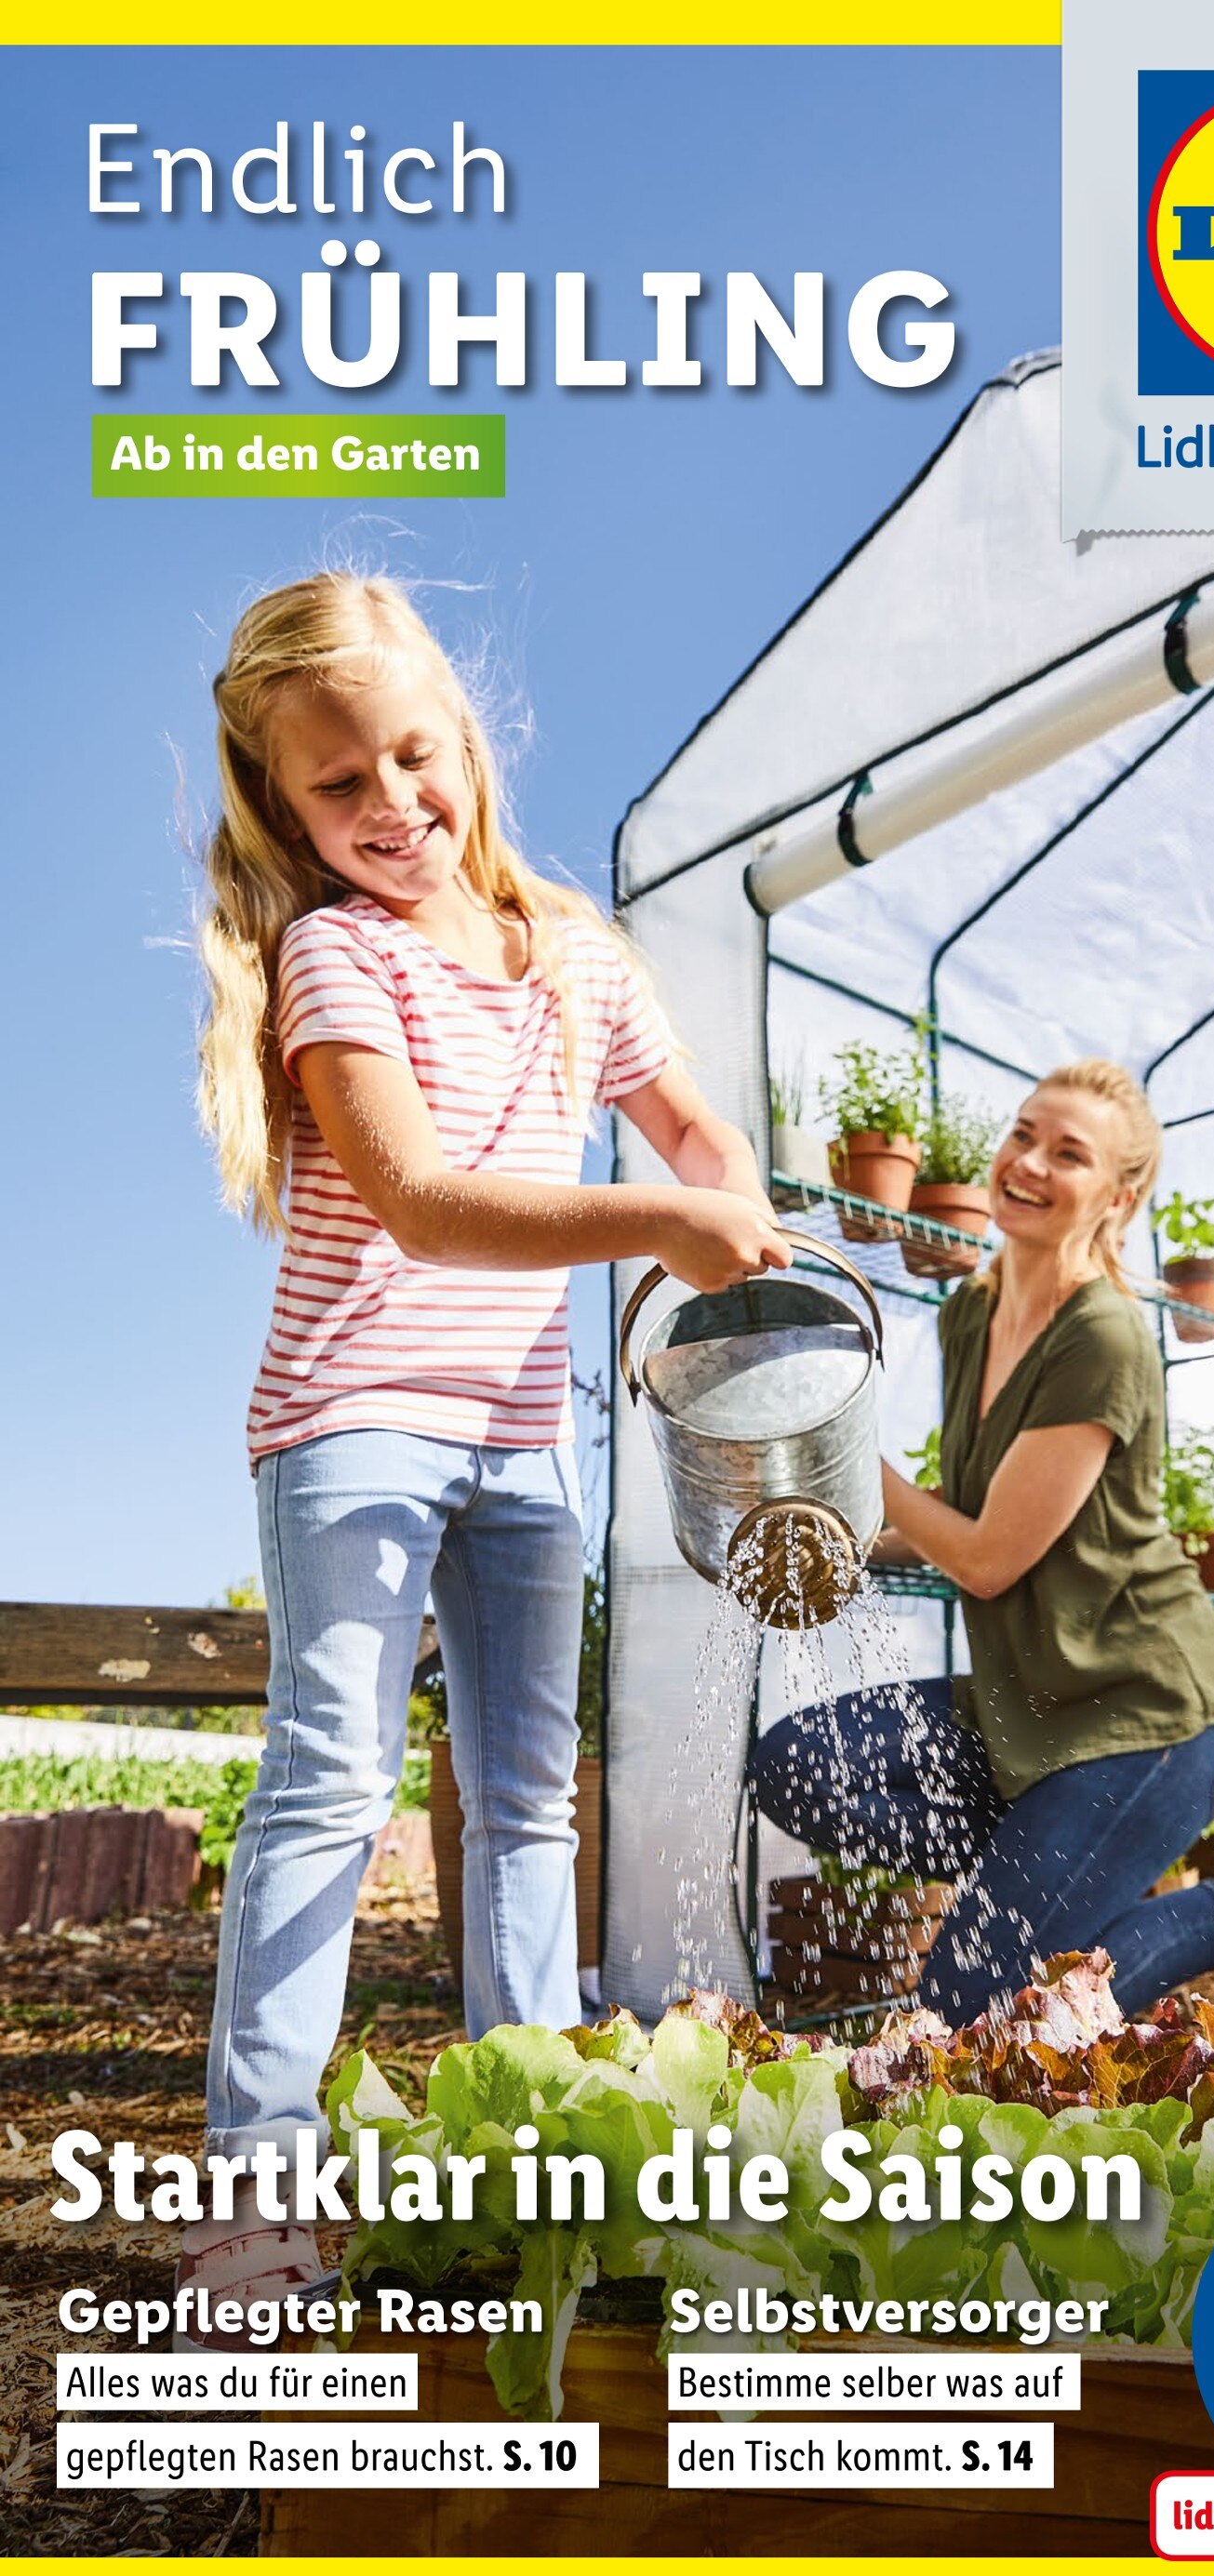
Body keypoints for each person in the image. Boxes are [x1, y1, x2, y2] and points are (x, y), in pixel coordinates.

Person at [186, 571, 789, 2317]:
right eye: (337, 785)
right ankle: (256, 2197)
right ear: (282, 805)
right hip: (354, 1420)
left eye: (411, 757)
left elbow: (696, 1129)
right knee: (332, 1778)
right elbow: (425, 1203)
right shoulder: (334, 955)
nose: (390, 804)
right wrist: (660, 1222)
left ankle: (529, 2158)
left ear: (465, 739)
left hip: (526, 1442)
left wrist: (725, 1196)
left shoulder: (577, 953)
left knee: (528, 1798)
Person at [753, 1057, 1214, 2035]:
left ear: (1119, 1195)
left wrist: (848, 1450)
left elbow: (988, 1560)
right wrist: (842, 1544)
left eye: (1068, 1154)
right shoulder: (970, 1316)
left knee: (973, 2015)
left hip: (1141, 1715)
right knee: (799, 1762)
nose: (1028, 1162)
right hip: (1027, 1702)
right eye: (1023, 1134)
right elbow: (976, 1511)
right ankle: (1051, 1881)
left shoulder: (1102, 1336)